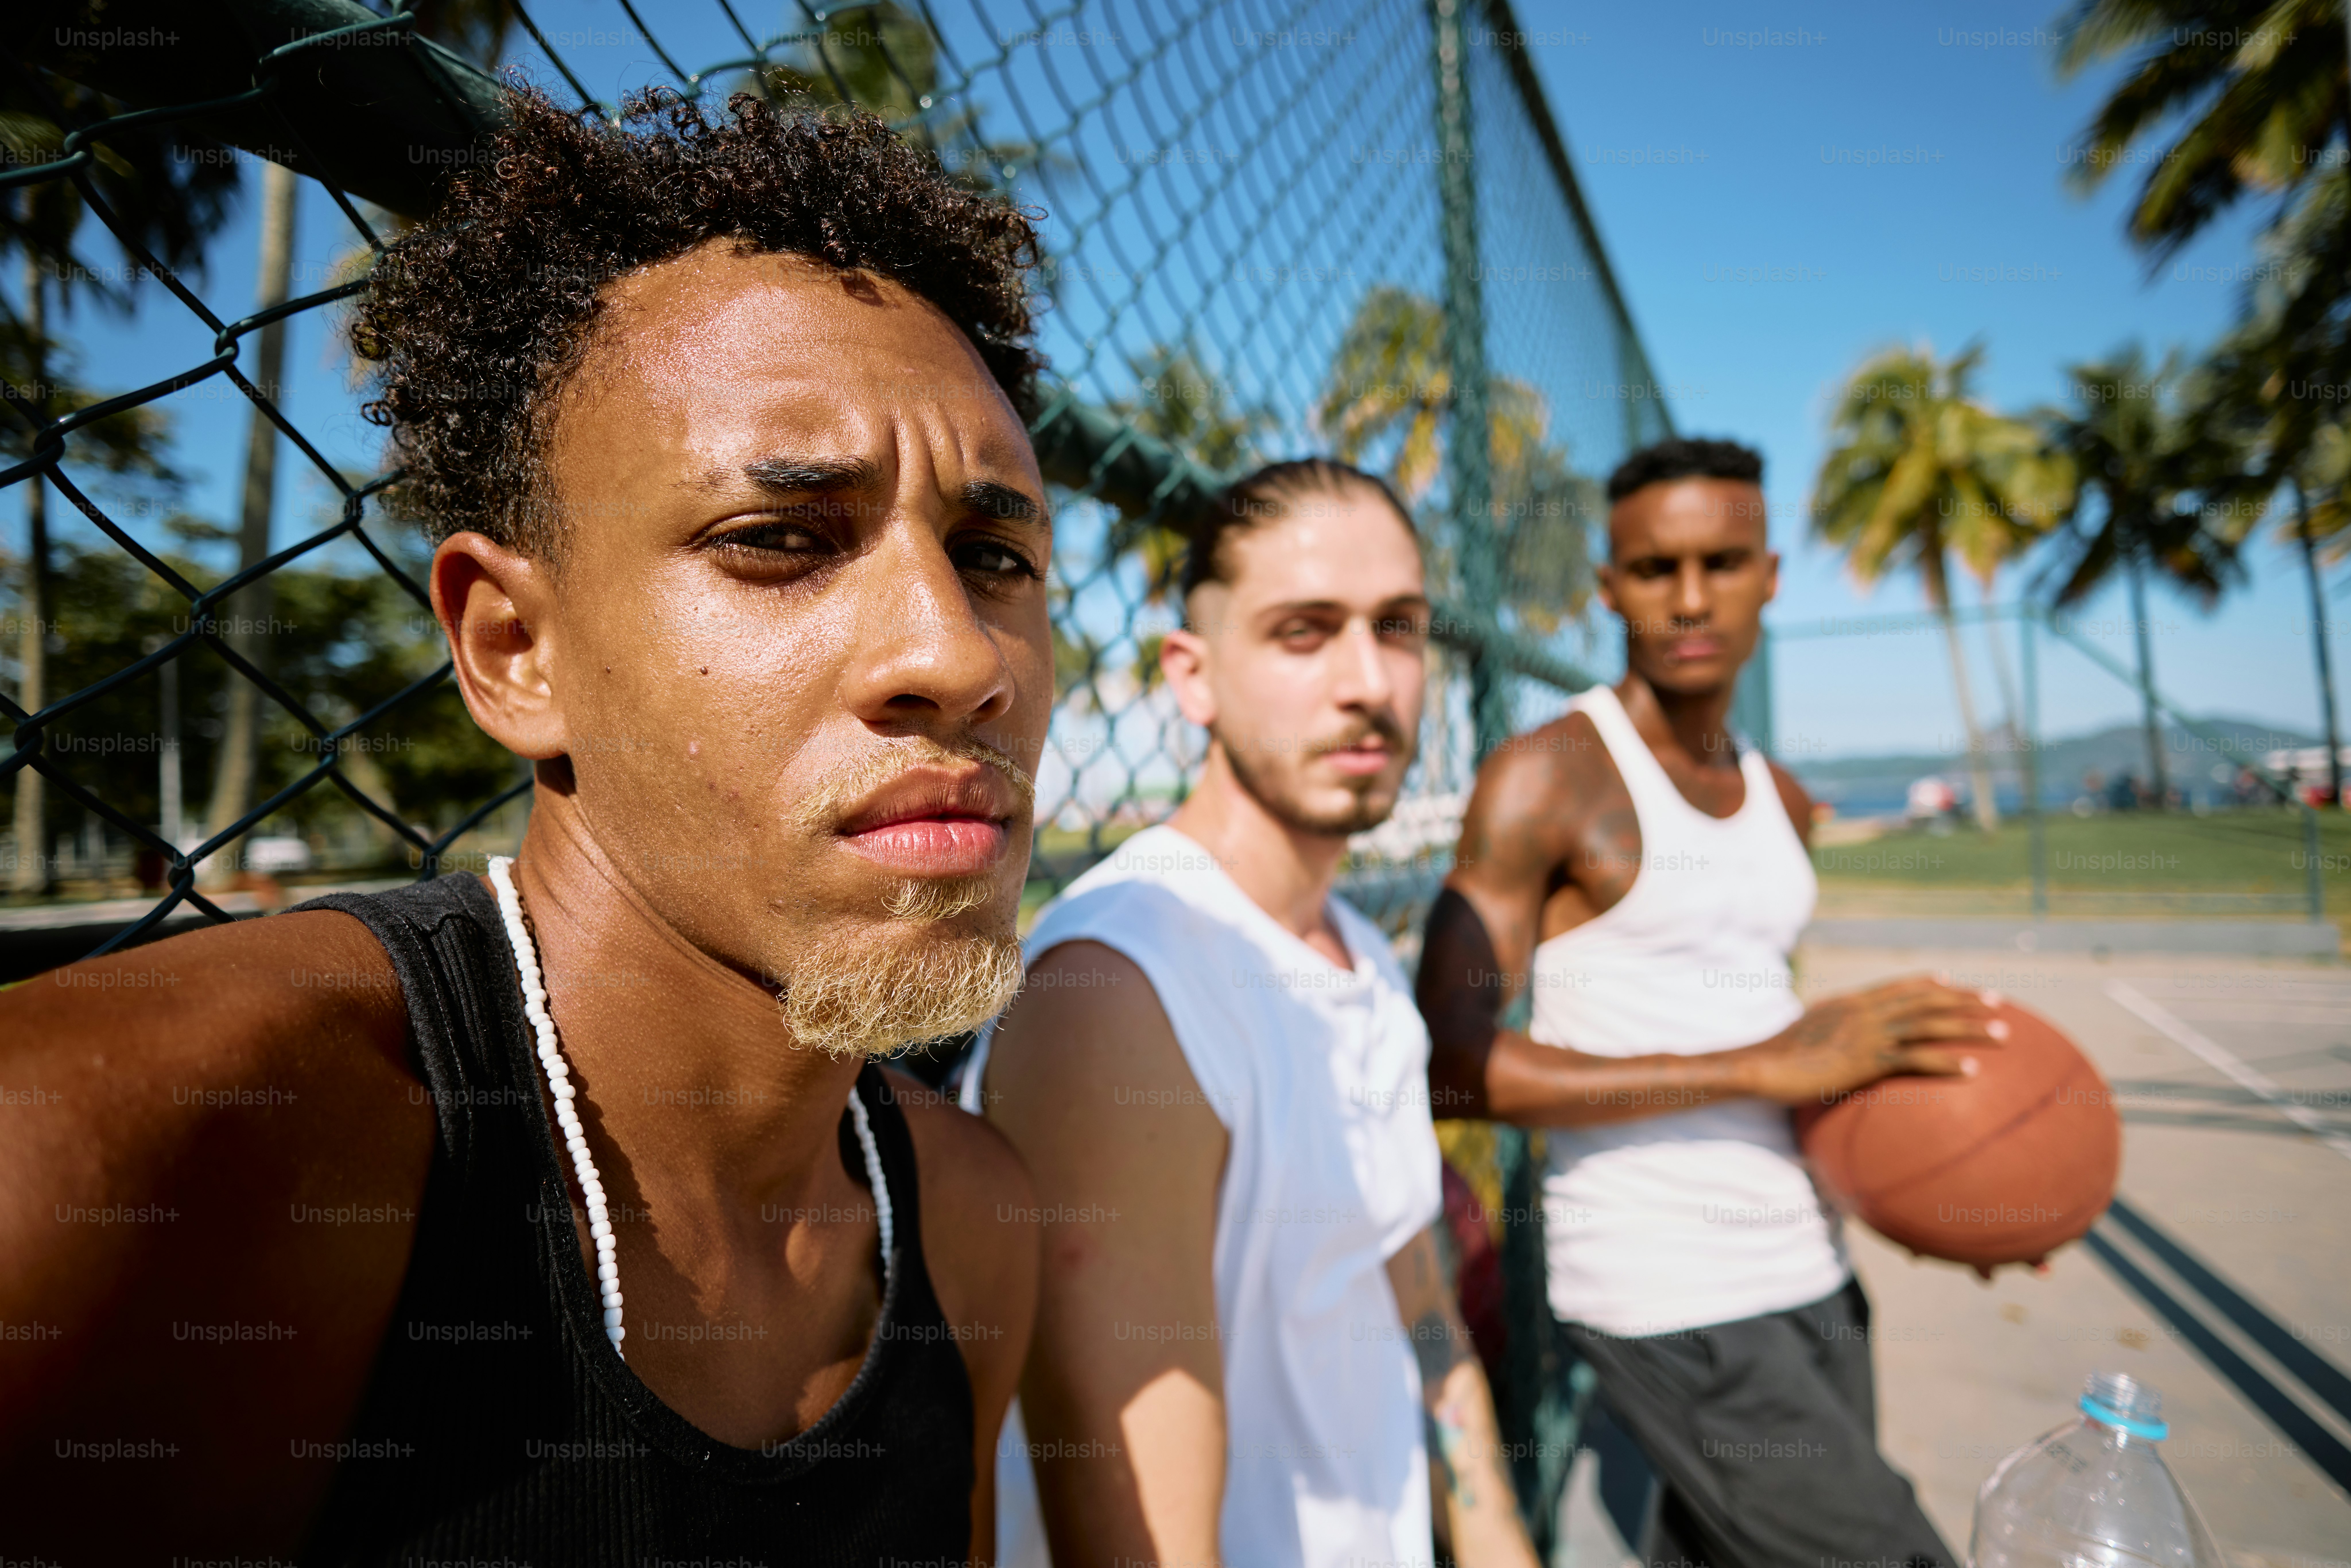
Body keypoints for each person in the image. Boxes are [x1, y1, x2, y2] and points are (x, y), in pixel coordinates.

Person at [0, 88, 1046, 1561]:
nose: (959, 658)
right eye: (776, 542)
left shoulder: (970, 1224)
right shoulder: (173, 1162)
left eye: (995, 553)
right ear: (512, 649)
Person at [1416, 437, 2003, 1568]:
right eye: (1653, 570)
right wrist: (1754, 1064)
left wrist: (1947, 1178)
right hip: (1665, 1286)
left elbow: (1794, 1052)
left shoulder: (1779, 795)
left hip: (1812, 1269)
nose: (1689, 598)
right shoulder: (1549, 776)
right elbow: (1449, 1063)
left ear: (1769, 575)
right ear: (1608, 587)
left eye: (1722, 562)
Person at [965, 460, 1541, 1568]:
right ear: (1194, 677)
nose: (1369, 680)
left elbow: (1418, 1296)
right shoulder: (1121, 983)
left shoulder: (1364, 958)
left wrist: (1499, 1539)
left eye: (1402, 628)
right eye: (1304, 632)